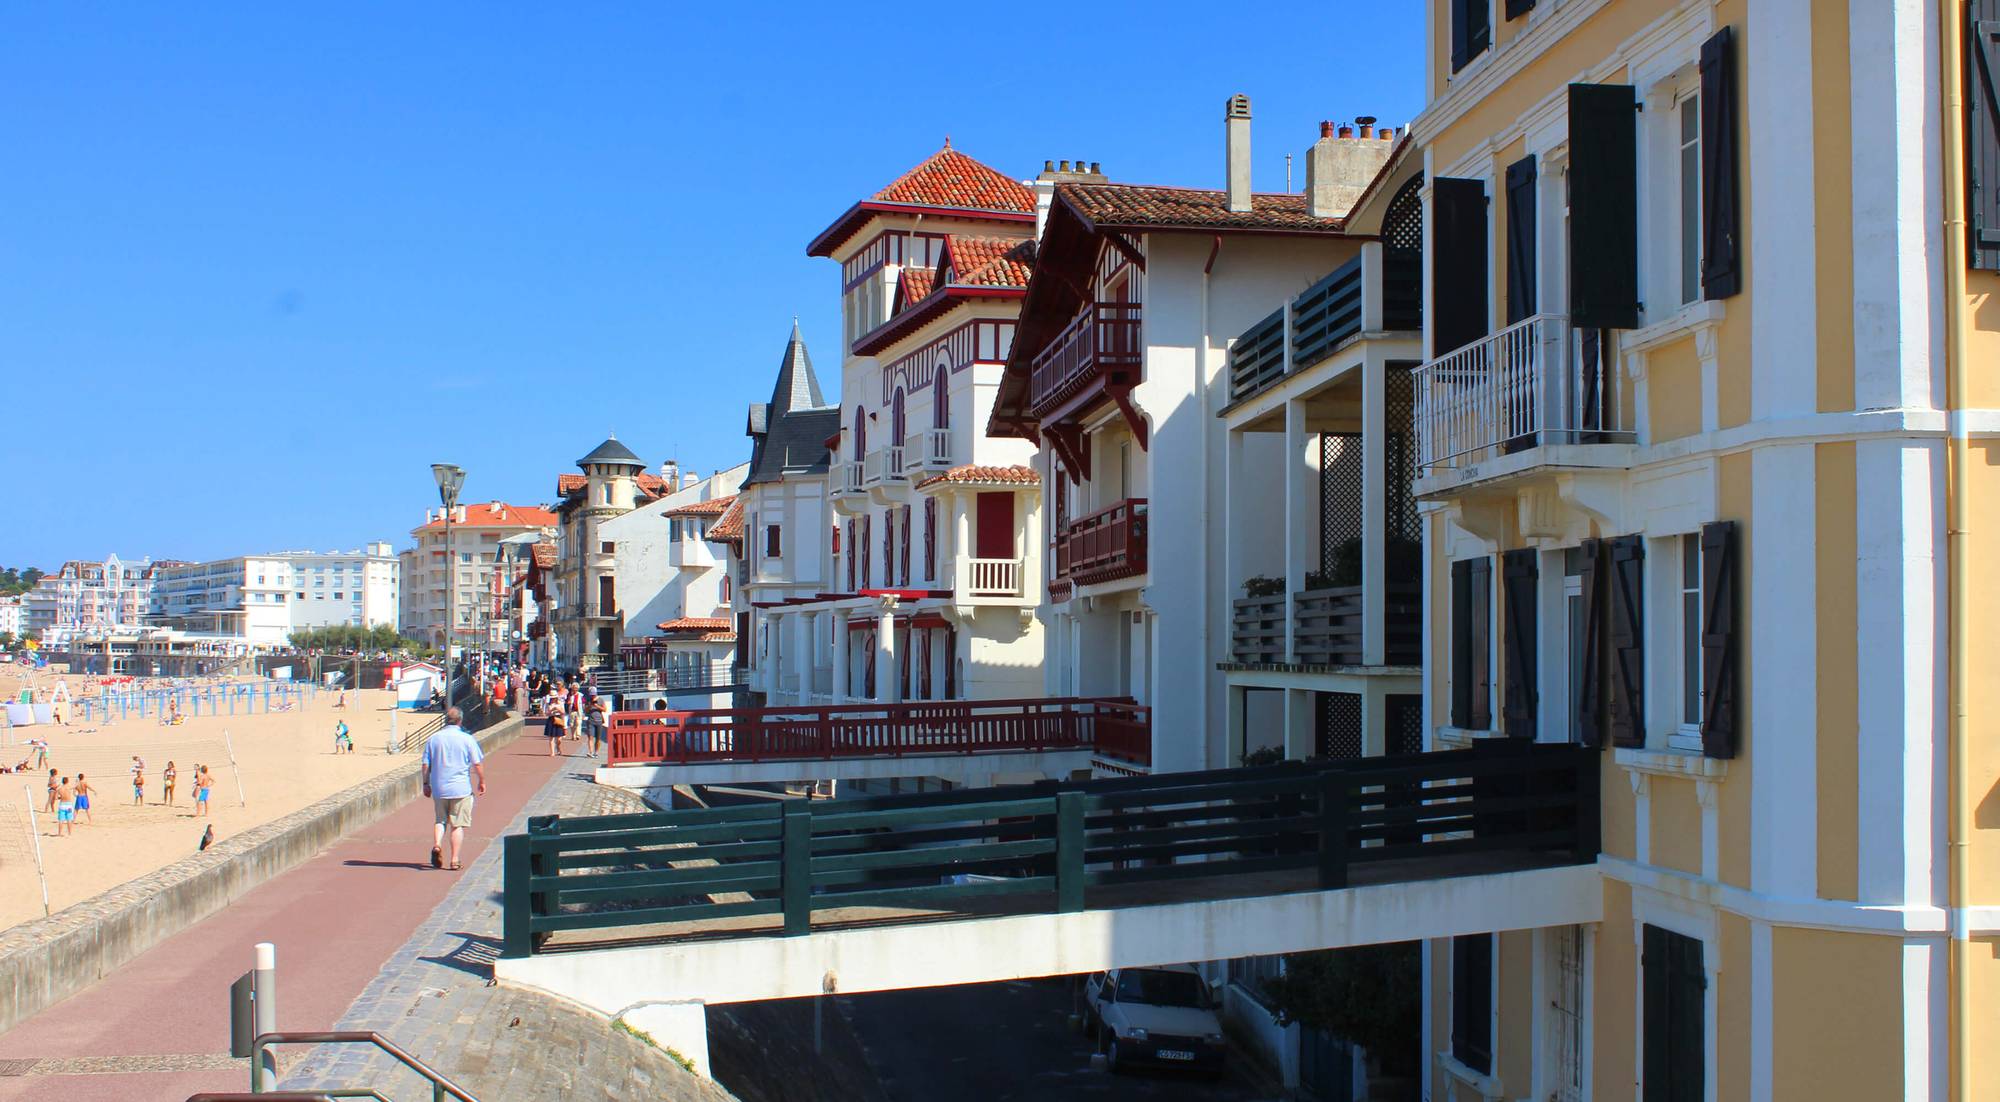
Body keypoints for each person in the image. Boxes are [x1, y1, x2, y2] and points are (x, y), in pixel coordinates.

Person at [420, 706, 485, 871]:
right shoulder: (467, 739)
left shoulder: (433, 739)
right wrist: (481, 781)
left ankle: (436, 845)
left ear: (445, 720)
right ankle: (455, 859)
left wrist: (426, 784)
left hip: (439, 787)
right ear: (460, 720)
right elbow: (477, 763)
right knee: (457, 824)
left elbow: (426, 764)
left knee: (440, 820)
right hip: (460, 788)